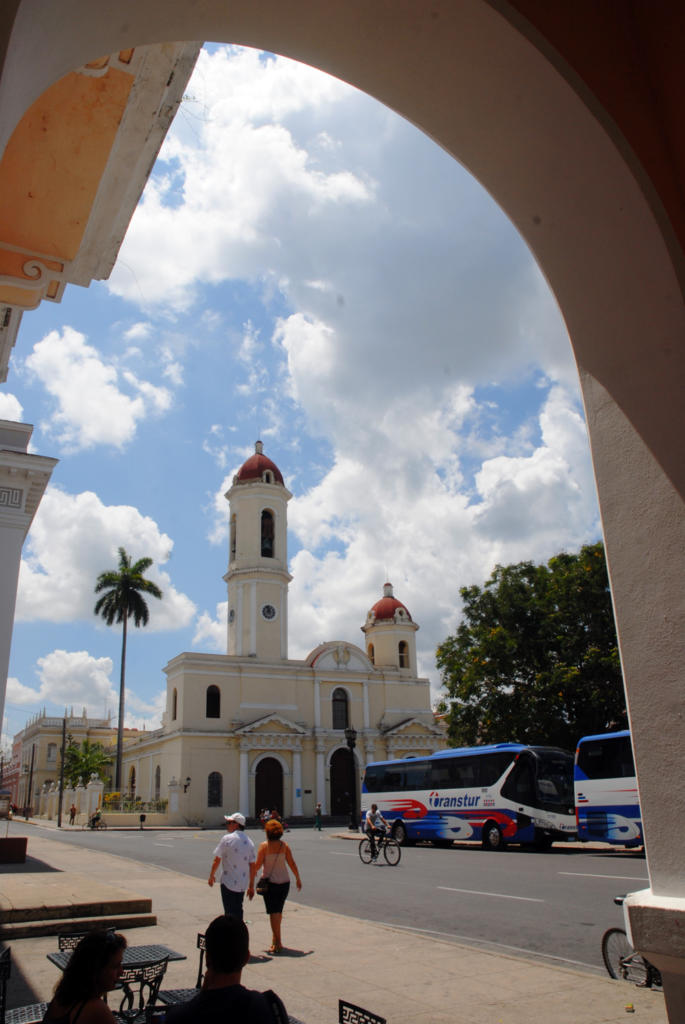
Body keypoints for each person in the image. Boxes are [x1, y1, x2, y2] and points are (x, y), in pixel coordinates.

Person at [165, 915, 288, 1024]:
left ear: (207, 958)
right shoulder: (269, 1007)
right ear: (246, 958)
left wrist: (202, 995)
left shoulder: (179, 1017)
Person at [42, 929, 127, 1024]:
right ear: (96, 970)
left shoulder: (62, 997)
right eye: (115, 966)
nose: (121, 972)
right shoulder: (95, 1008)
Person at [255, 818, 302, 954]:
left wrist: (250, 879)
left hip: (271, 885)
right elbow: (292, 863)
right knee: (278, 912)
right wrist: (298, 878)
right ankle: (275, 940)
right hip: (284, 883)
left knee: (273, 913)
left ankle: (278, 941)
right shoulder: (284, 846)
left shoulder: (264, 846)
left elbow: (257, 866)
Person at [208, 811, 256, 921]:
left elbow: (217, 859)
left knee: (229, 912)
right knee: (238, 910)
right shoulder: (249, 842)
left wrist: (211, 875)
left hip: (228, 882)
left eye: (229, 822)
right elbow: (252, 866)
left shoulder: (227, 839)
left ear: (236, 824)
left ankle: (230, 935)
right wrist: (251, 886)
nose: (227, 824)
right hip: (241, 885)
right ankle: (239, 933)